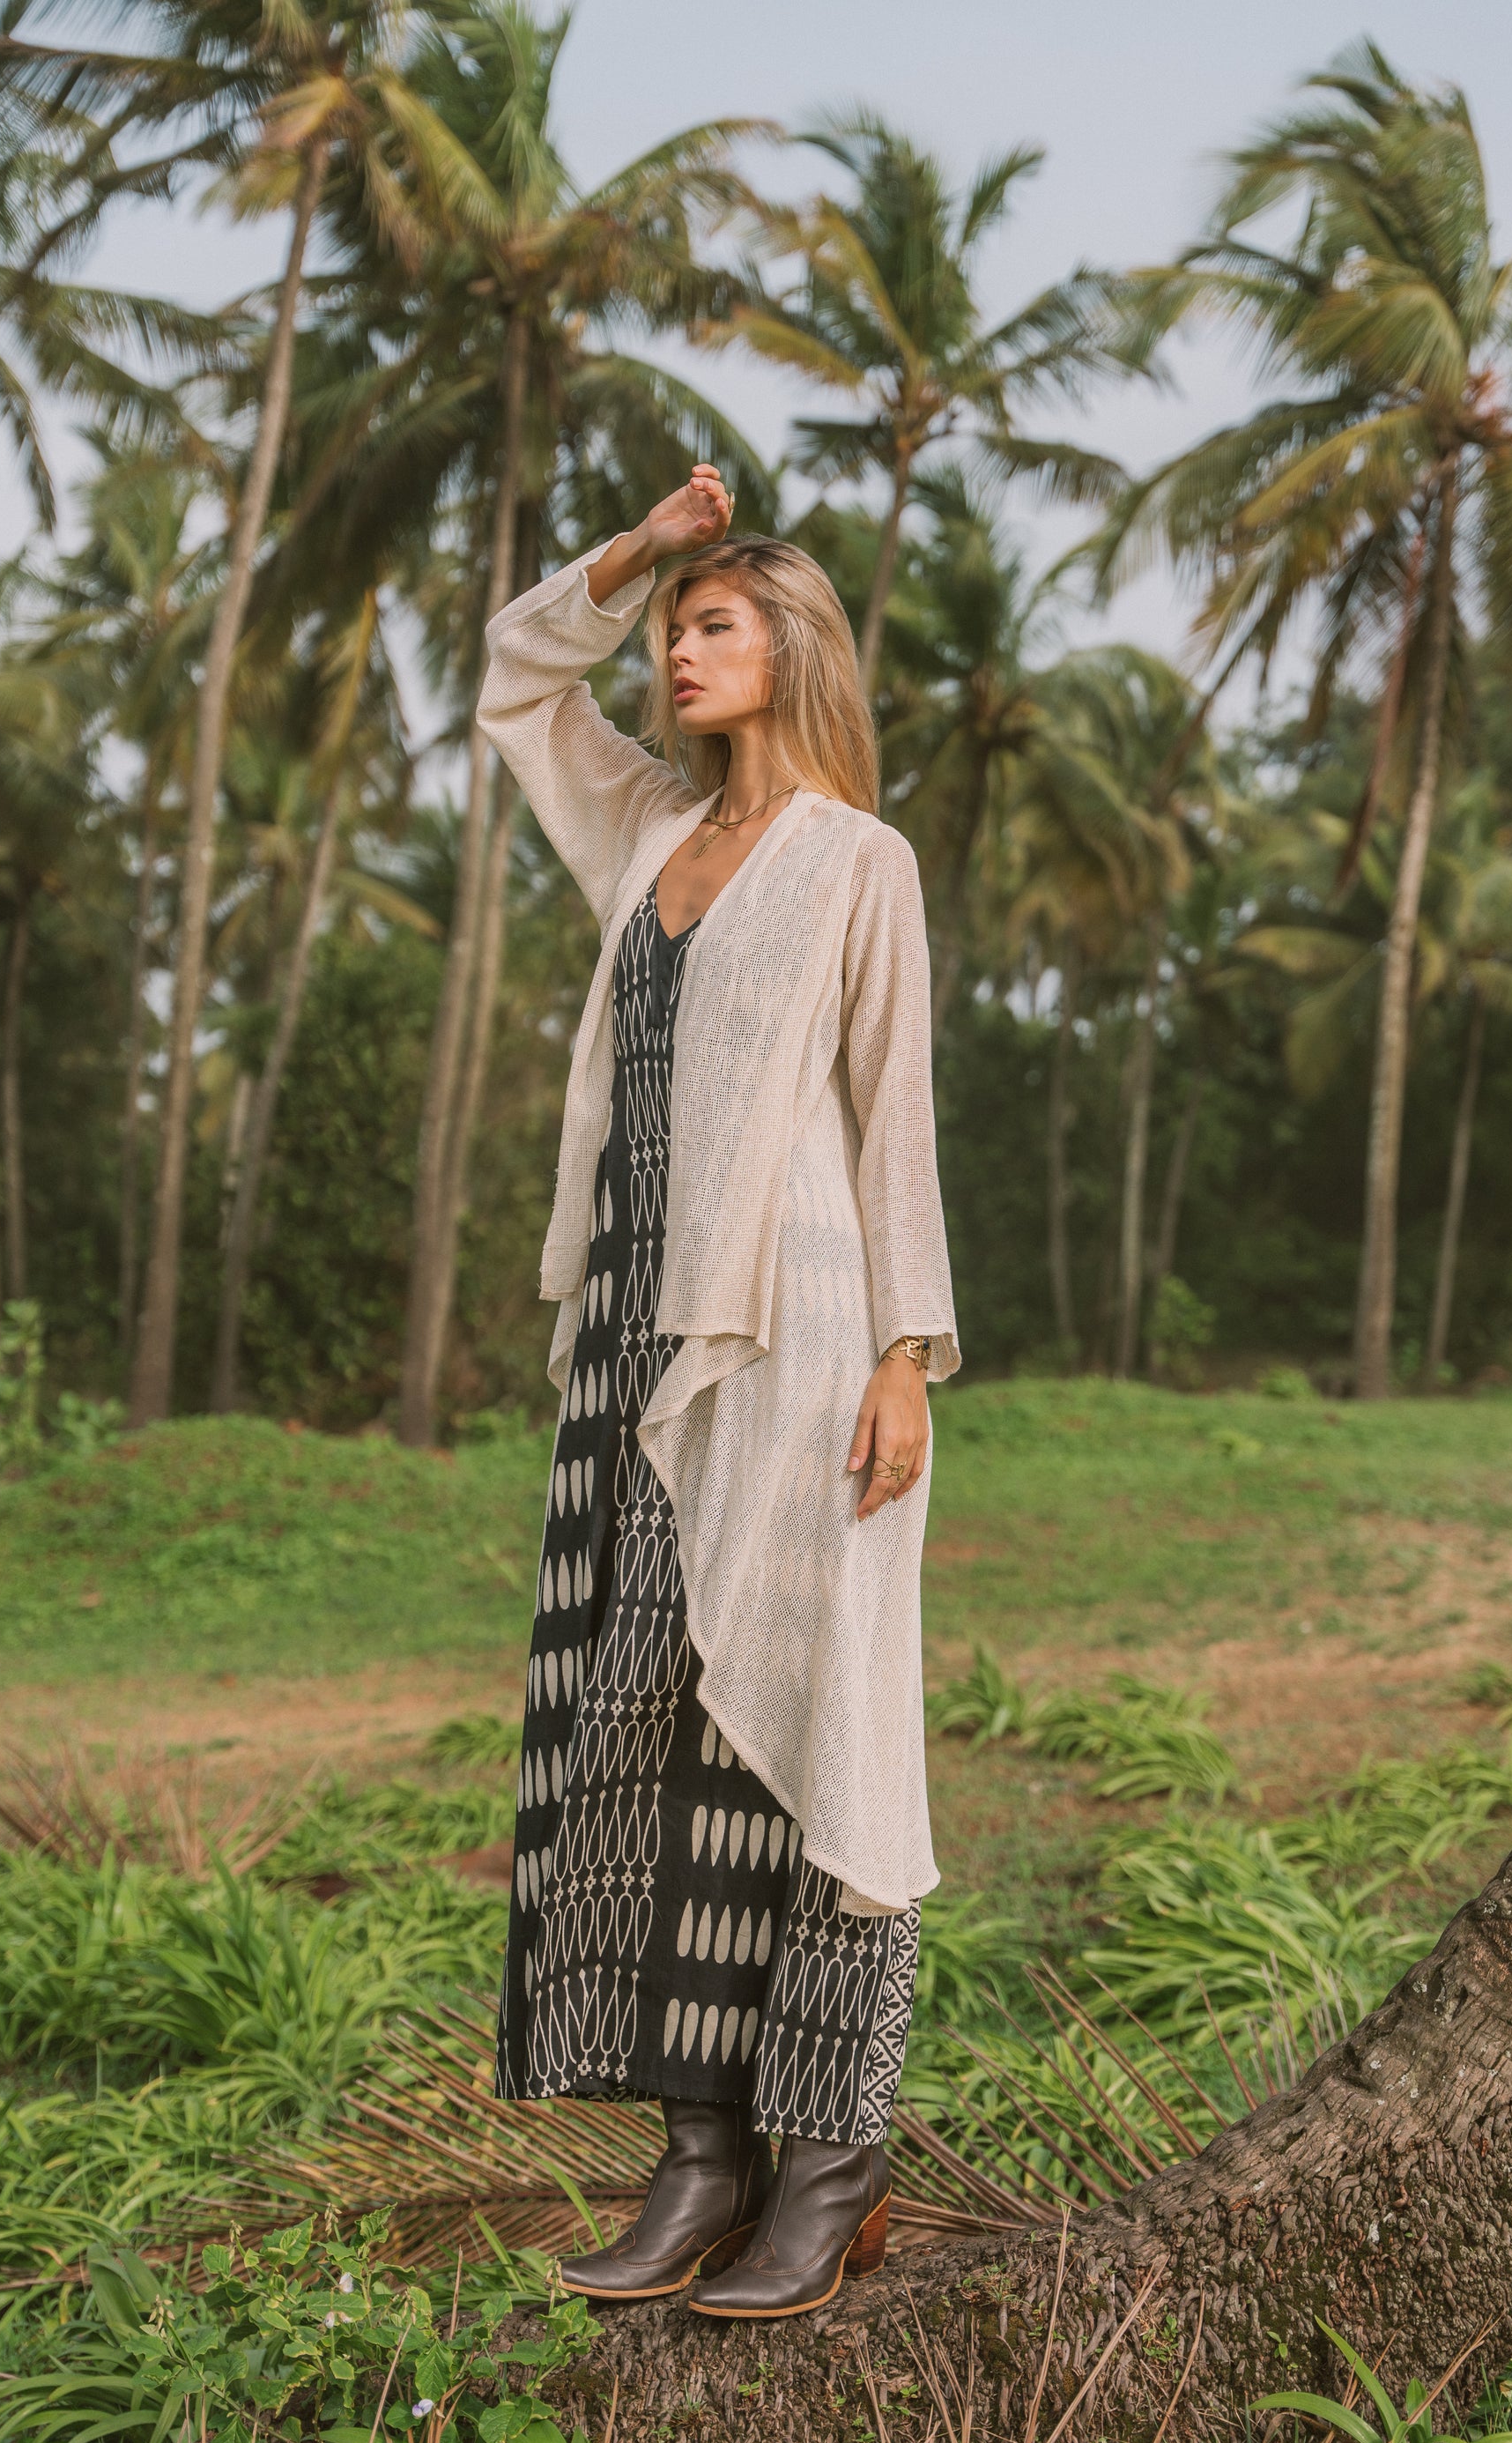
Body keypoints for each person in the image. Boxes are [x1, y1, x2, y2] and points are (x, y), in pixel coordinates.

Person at [479, 464, 959, 2321]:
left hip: (800, 1336)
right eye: (675, 629)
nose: (678, 653)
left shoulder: (857, 859)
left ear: (791, 649)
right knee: (635, 1726)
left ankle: (827, 2164)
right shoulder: (644, 828)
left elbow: (892, 1113)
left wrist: (909, 1353)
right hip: (627, 1337)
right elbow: (520, 678)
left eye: (713, 623)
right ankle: (700, 2159)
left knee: (809, 1728)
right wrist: (638, 551)